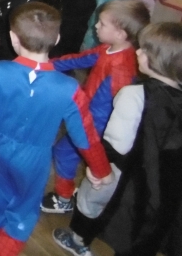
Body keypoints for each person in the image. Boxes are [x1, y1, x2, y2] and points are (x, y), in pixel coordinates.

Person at [0, 2, 113, 256]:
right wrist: (100, 169)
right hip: (34, 160)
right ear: (56, 39)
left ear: (13, 38)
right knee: (23, 212)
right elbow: (85, 135)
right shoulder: (69, 88)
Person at [53, 22, 182, 256]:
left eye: (144, 50)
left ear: (158, 61)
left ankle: (78, 240)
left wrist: (98, 169)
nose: (138, 52)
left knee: (90, 201)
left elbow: (116, 143)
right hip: (162, 180)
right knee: (140, 225)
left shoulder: (133, 95)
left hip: (122, 172)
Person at [41, 0, 149, 214]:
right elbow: (79, 60)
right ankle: (68, 193)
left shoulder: (121, 69)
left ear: (120, 34)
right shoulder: (108, 49)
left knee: (64, 153)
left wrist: (86, 128)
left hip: (94, 126)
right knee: (65, 153)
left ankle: (64, 198)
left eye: (102, 23)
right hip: (88, 119)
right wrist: (44, 64)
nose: (96, 26)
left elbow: (113, 109)